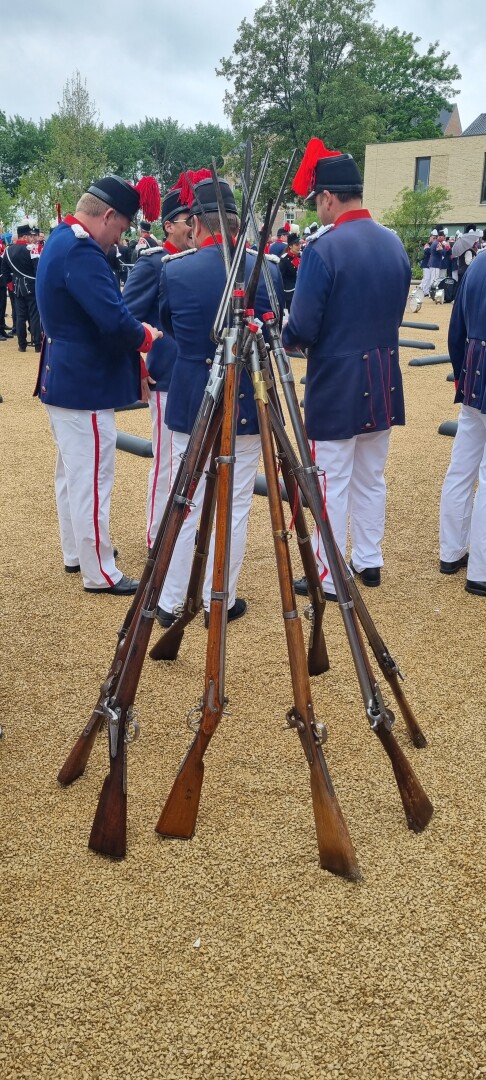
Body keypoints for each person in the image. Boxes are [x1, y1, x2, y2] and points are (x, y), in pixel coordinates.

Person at [283, 139, 411, 598]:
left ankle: (327, 572)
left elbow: (301, 326)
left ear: (329, 197)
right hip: (382, 375)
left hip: (337, 382)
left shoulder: (325, 248)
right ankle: (369, 560)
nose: (317, 209)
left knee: (330, 480)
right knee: (371, 475)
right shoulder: (393, 243)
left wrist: (285, 336)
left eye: (317, 201)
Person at [155, 172, 285, 627]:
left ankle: (171, 601)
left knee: (184, 499)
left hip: (191, 397)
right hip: (247, 399)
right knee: (234, 505)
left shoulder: (175, 270)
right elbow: (275, 329)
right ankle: (219, 599)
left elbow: (169, 328)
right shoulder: (264, 267)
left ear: (195, 223)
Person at [34, 175, 162, 595]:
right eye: (121, 227)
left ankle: (77, 553)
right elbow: (112, 319)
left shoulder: (60, 238)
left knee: (72, 475)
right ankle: (99, 572)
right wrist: (145, 337)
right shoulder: (82, 250)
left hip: (65, 377)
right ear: (107, 215)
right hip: (83, 383)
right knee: (91, 478)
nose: (119, 237)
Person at [122, 181, 193, 550]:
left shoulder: (198, 261)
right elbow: (125, 321)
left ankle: (185, 539)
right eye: (187, 220)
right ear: (168, 225)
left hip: (199, 375)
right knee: (167, 465)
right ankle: (158, 541)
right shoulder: (152, 264)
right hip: (165, 376)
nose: (193, 227)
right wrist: (140, 368)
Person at [439, 250, 486, 596]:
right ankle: (481, 570)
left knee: (462, 469)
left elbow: (456, 330)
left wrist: (461, 375)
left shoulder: (478, 263)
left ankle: (451, 552)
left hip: (474, 370)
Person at [1, 222, 42, 352]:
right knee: (34, 315)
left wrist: (10, 285)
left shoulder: (8, 250)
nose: (32, 238)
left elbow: (5, 271)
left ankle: (22, 344)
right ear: (24, 237)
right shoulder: (32, 249)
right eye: (30, 235)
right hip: (32, 285)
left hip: (16, 287)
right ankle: (37, 344)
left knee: (20, 316)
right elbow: (37, 270)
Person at [278, 231, 301, 311]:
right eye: (297, 245)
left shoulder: (301, 257)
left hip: (299, 293)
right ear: (290, 246)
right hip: (289, 295)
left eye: (300, 244)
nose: (299, 247)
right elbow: (279, 279)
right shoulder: (284, 260)